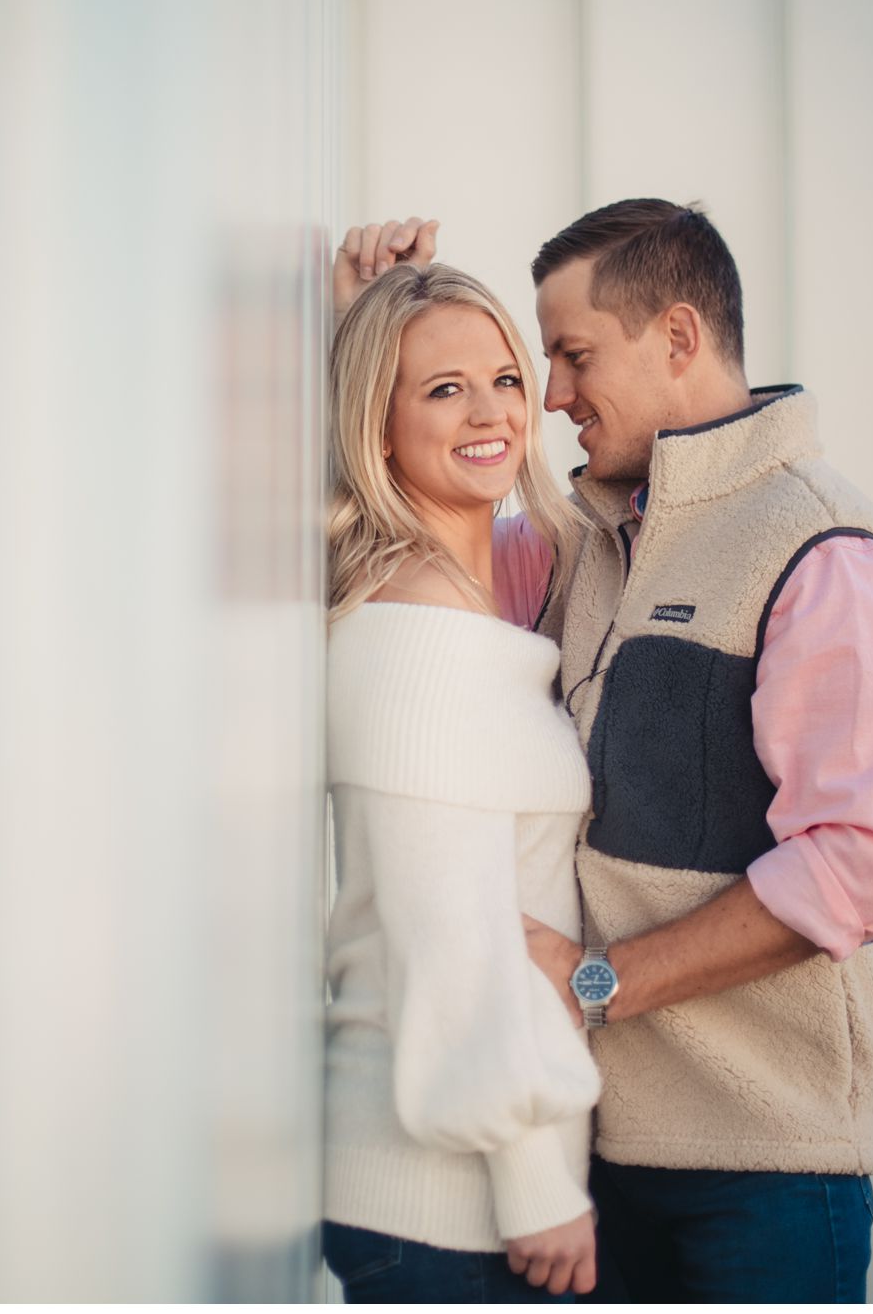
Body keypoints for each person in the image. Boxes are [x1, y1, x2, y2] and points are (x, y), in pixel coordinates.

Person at [477, 199, 873, 1303]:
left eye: (572, 354)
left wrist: (598, 983)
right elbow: (415, 542)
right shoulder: (576, 543)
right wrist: (370, 325)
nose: (551, 395)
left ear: (677, 338)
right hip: (593, 1166)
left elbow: (857, 868)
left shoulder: (822, 552)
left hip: (761, 1186)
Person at [319, 240, 605, 1303]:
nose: (489, 414)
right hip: (444, 1207)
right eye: (442, 390)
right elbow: (454, 944)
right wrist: (536, 1185)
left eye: (502, 381)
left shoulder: (471, 599)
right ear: (377, 427)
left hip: (463, 1201)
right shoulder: (413, 634)